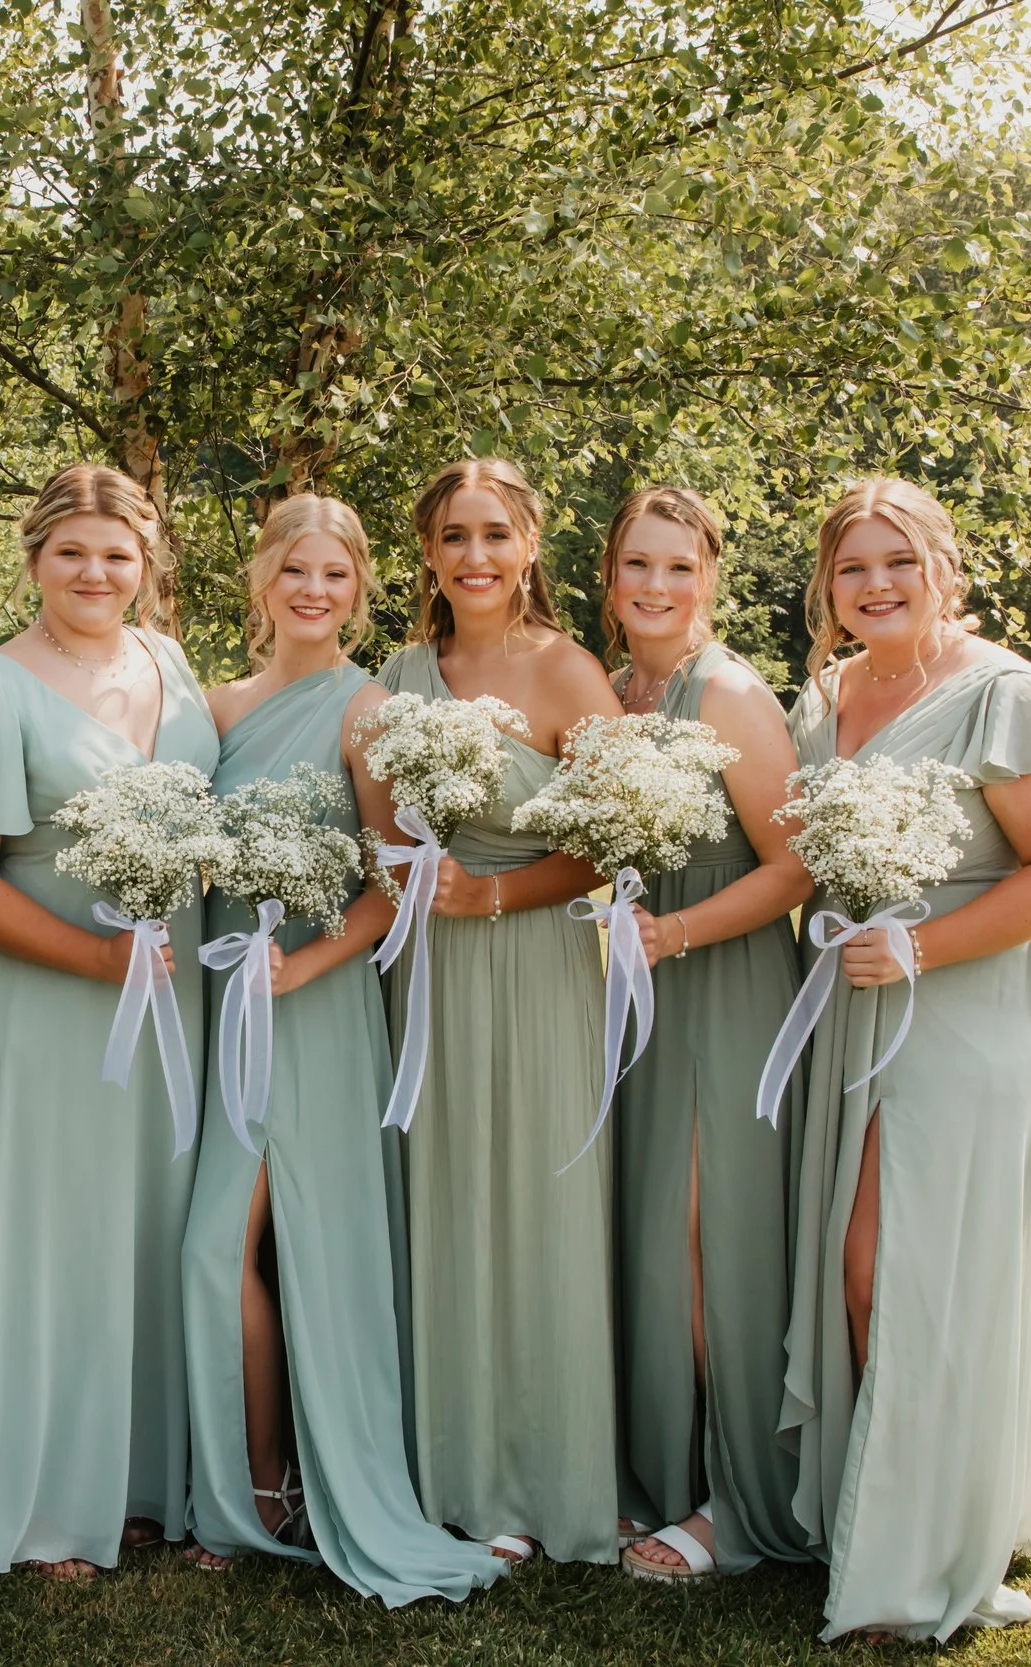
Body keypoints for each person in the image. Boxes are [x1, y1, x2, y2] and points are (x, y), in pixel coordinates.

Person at [778, 478, 1031, 1642]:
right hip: (851, 1000)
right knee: (858, 1265)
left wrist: (918, 945)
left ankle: (922, 1553)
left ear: (941, 568)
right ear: (828, 585)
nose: (875, 584)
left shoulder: (1004, 692)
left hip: (968, 1002)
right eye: (853, 566)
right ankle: (883, 1507)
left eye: (897, 562)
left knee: (908, 1268)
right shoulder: (826, 696)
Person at [180, 494, 505, 1606]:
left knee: (232, 1248)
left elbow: (394, 882)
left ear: (360, 587)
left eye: (335, 574)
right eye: (295, 570)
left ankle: (273, 1482)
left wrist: (304, 966)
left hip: (309, 1007)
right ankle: (250, 1473)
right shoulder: (212, 707)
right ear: (261, 579)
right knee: (226, 1251)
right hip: (219, 997)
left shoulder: (368, 711)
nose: (313, 591)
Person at [0, 463, 218, 1579]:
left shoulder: (170, 663)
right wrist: (95, 956)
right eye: (72, 553)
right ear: (35, 558)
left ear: (148, 563)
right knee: (49, 1234)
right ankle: (42, 1501)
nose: (96, 573)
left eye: (117, 555)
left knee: (144, 1220)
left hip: (170, 987)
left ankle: (137, 1480)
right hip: (45, 995)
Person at [374, 457, 627, 1566]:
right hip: (426, 970)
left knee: (537, 1200)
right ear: (428, 555)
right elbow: (379, 832)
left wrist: (496, 893)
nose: (472, 555)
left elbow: (614, 840)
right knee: (446, 1197)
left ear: (529, 543)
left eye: (492, 533)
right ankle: (451, 1470)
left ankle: (540, 1472)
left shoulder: (568, 670)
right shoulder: (398, 675)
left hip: (536, 961)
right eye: (451, 536)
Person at [594, 488, 813, 1582]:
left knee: (707, 1230)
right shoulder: (614, 690)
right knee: (649, 1232)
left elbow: (795, 865)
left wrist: (673, 931)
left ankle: (742, 1498)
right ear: (608, 574)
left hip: (724, 978)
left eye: (679, 566)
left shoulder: (726, 692)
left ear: (711, 577)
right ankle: (671, 1467)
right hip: (643, 990)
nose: (656, 585)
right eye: (638, 563)